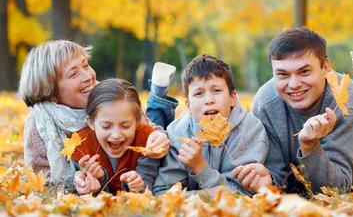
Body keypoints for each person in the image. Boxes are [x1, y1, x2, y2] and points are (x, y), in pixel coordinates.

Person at [233, 28, 353, 194]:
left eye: (304, 72)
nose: (294, 84)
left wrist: (310, 146)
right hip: (302, 179)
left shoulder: (350, 103)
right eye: (283, 74)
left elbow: (337, 189)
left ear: (325, 67)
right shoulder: (264, 103)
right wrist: (269, 179)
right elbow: (277, 173)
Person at [18, 40, 171, 193]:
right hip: (103, 176)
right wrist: (75, 183)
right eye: (73, 74)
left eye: (85, 65)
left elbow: (141, 124)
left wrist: (158, 135)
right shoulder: (40, 123)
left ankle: (158, 98)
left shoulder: (103, 94)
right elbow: (40, 178)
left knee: (159, 123)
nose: (88, 77)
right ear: (50, 92)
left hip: (127, 162)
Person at [153, 55, 269, 196]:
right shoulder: (177, 133)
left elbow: (240, 195)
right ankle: (157, 97)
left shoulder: (250, 130)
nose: (209, 100)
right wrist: (208, 195)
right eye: (199, 93)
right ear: (188, 105)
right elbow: (162, 193)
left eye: (216, 91)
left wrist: (200, 168)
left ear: (233, 98)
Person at [70, 79, 162, 194]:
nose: (116, 135)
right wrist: (97, 180)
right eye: (106, 126)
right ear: (91, 123)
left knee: (160, 116)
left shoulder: (146, 142)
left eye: (125, 126)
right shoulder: (81, 145)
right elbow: (71, 185)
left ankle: (160, 98)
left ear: (137, 122)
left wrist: (138, 186)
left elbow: (148, 188)